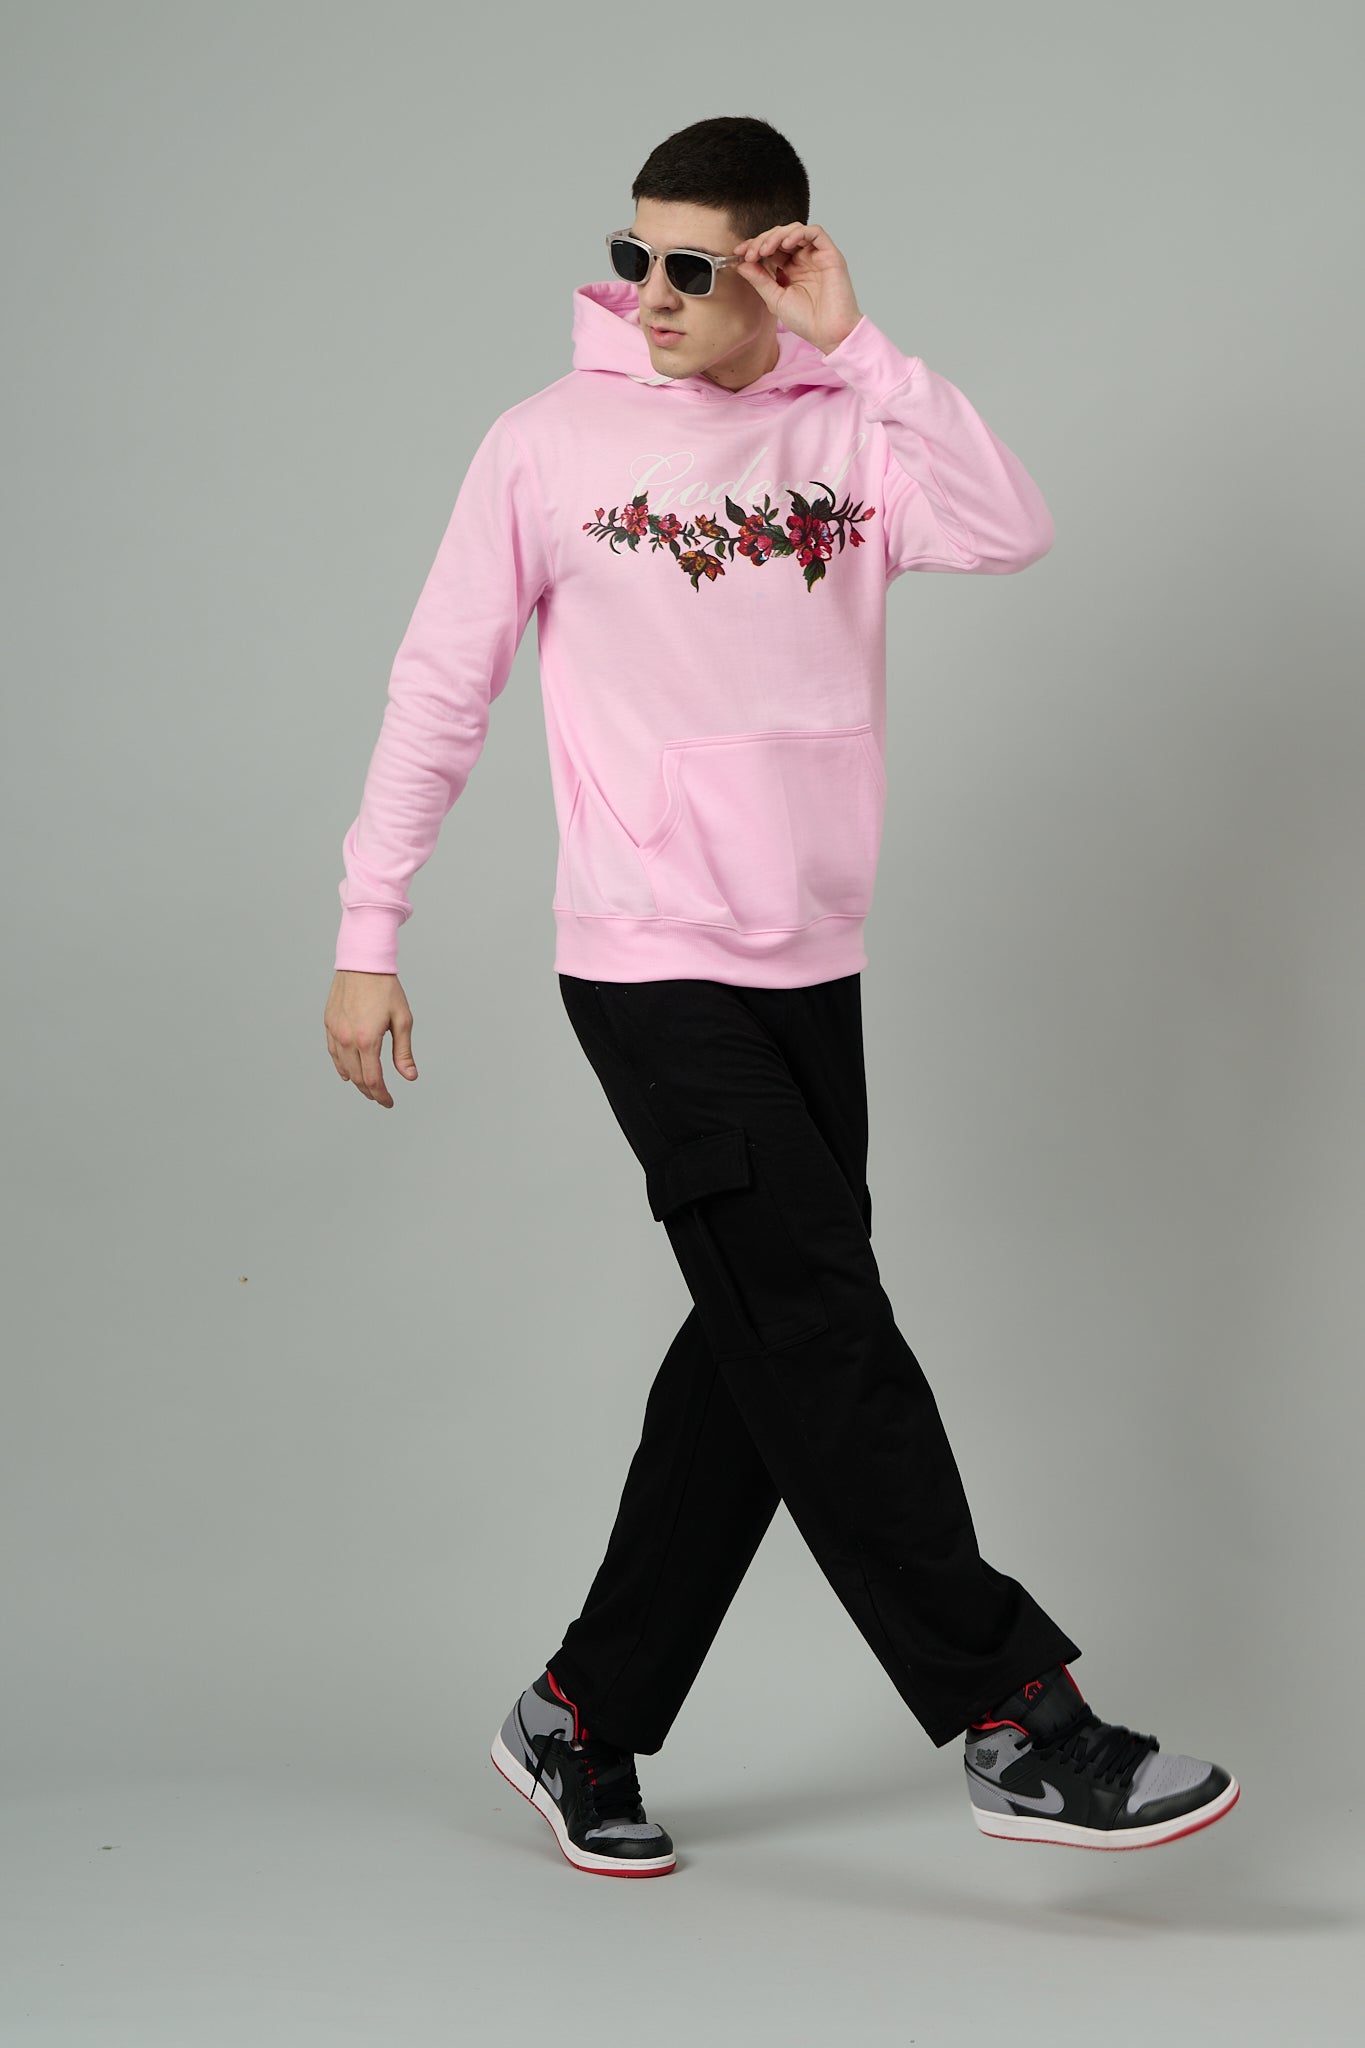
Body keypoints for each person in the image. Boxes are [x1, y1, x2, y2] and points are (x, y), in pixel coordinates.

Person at [324, 116, 1239, 1877]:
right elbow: (439, 684)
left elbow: (1012, 528)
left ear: (774, 261)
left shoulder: (850, 430)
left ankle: (578, 1710)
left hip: (814, 960)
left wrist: (861, 344)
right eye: (634, 257)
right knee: (816, 1322)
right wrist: (372, 928)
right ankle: (1017, 1720)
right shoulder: (546, 442)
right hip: (647, 959)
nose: (651, 295)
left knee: (762, 1342)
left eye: (694, 266)